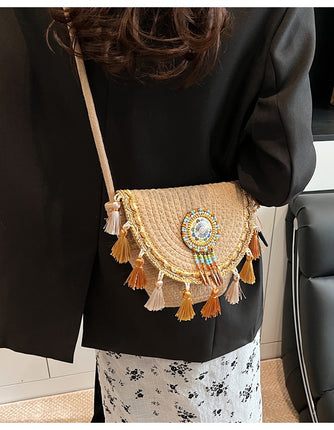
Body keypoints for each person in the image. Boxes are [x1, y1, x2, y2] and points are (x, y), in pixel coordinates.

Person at [0, 7, 316, 423]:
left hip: (121, 272)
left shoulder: (55, 12)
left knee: (125, 406)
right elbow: (280, 175)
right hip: (210, 283)